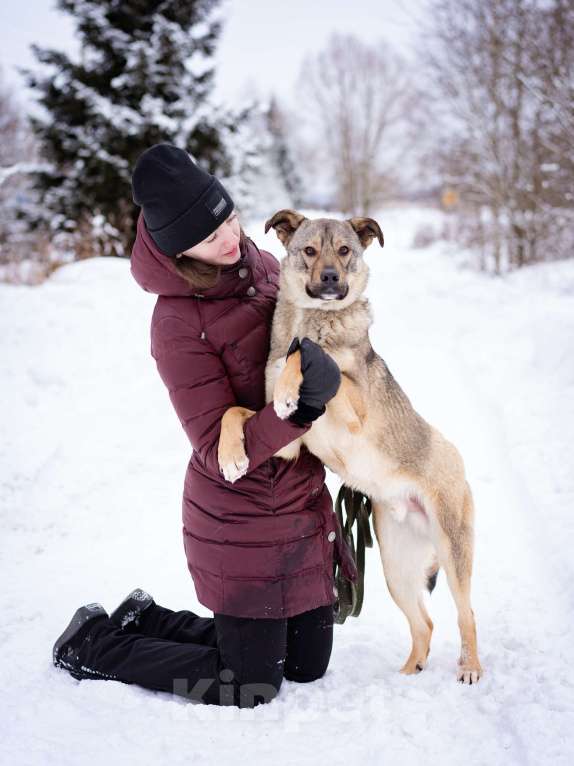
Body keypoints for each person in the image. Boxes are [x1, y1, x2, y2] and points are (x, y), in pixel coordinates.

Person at [52, 143, 358, 709]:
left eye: (229, 216)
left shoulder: (262, 266)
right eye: (209, 231)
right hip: (238, 516)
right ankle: (95, 644)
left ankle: (148, 617)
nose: (230, 234)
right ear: (176, 248)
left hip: (299, 500)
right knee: (250, 684)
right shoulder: (174, 324)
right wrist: (303, 407)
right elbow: (222, 454)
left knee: (308, 667)